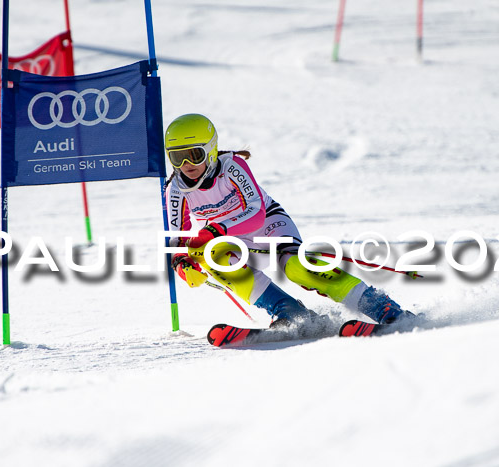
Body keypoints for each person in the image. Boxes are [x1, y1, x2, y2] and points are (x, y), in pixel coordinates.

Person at [165, 113, 408, 328]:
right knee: (210, 257)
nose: (187, 165)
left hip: (267, 224)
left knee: (295, 267)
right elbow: (178, 238)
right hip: (229, 238)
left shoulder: (231, 167)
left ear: (211, 149)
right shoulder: (174, 189)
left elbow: (255, 212)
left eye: (194, 155)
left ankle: (378, 305)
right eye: (177, 158)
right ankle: (289, 312)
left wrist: (216, 229)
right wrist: (181, 263)